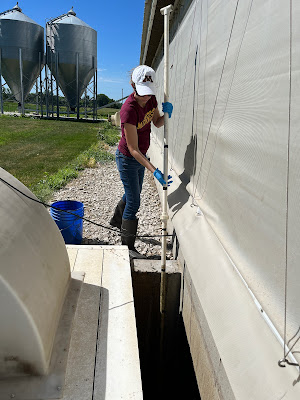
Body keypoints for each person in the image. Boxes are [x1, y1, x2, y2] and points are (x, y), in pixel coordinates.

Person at [110, 65, 173, 258]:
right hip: (128, 159)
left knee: (132, 193)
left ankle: (116, 220)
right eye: (142, 93)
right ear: (132, 85)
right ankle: (127, 247)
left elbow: (156, 122)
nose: (146, 98)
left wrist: (166, 115)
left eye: (148, 93)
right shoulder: (128, 110)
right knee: (135, 200)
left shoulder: (151, 98)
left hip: (140, 156)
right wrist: (154, 170)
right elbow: (133, 149)